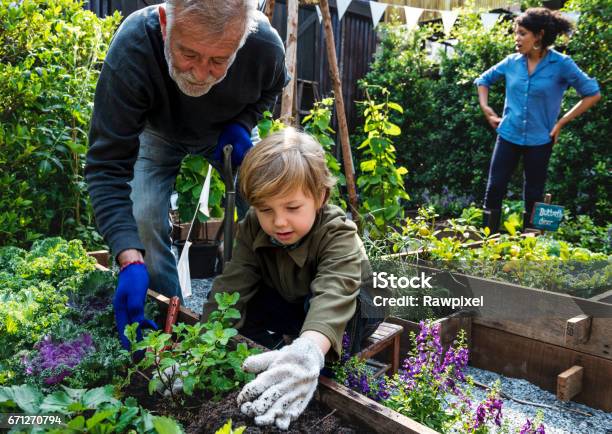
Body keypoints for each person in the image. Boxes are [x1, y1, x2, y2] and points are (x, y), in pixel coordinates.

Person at [84, 0, 288, 349]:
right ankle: (169, 324)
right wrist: (128, 257)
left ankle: (269, 313)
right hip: (157, 132)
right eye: (188, 54)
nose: (199, 73)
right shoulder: (134, 46)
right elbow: (106, 166)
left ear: (242, 39)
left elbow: (272, 87)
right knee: (143, 221)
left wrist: (242, 124)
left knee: (272, 204)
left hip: (226, 130)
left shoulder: (263, 45)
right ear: (165, 22)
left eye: (218, 61)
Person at [201, 128, 384, 430]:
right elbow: (231, 285)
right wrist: (199, 350)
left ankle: (312, 370)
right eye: (266, 209)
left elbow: (334, 292)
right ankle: (273, 356)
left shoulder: (337, 231)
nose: (279, 221)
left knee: (329, 324)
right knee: (242, 303)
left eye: (292, 207)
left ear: (320, 197)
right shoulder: (252, 228)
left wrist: (309, 349)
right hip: (295, 300)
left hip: (353, 306)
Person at [475, 8, 601, 232]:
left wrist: (561, 122)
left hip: (540, 139)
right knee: (494, 188)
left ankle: (532, 249)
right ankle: (487, 243)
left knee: (534, 194)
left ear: (539, 35)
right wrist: (486, 107)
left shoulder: (561, 64)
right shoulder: (511, 62)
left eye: (522, 33)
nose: (517, 38)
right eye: (516, 33)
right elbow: (483, 80)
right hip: (508, 134)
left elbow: (592, 93)